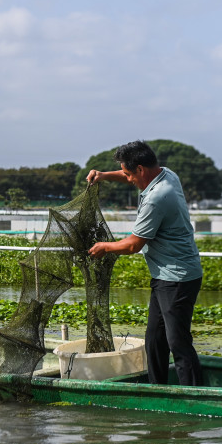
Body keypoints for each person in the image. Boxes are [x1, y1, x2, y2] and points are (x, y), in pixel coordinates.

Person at [87, 140, 204, 386]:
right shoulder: (167, 174)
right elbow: (127, 173)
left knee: (178, 343)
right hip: (165, 276)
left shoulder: (157, 198)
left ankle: (195, 394)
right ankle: (157, 388)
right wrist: (104, 175)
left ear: (140, 170)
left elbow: (132, 245)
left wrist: (104, 247)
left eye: (129, 174)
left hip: (178, 277)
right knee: (155, 340)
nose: (128, 179)